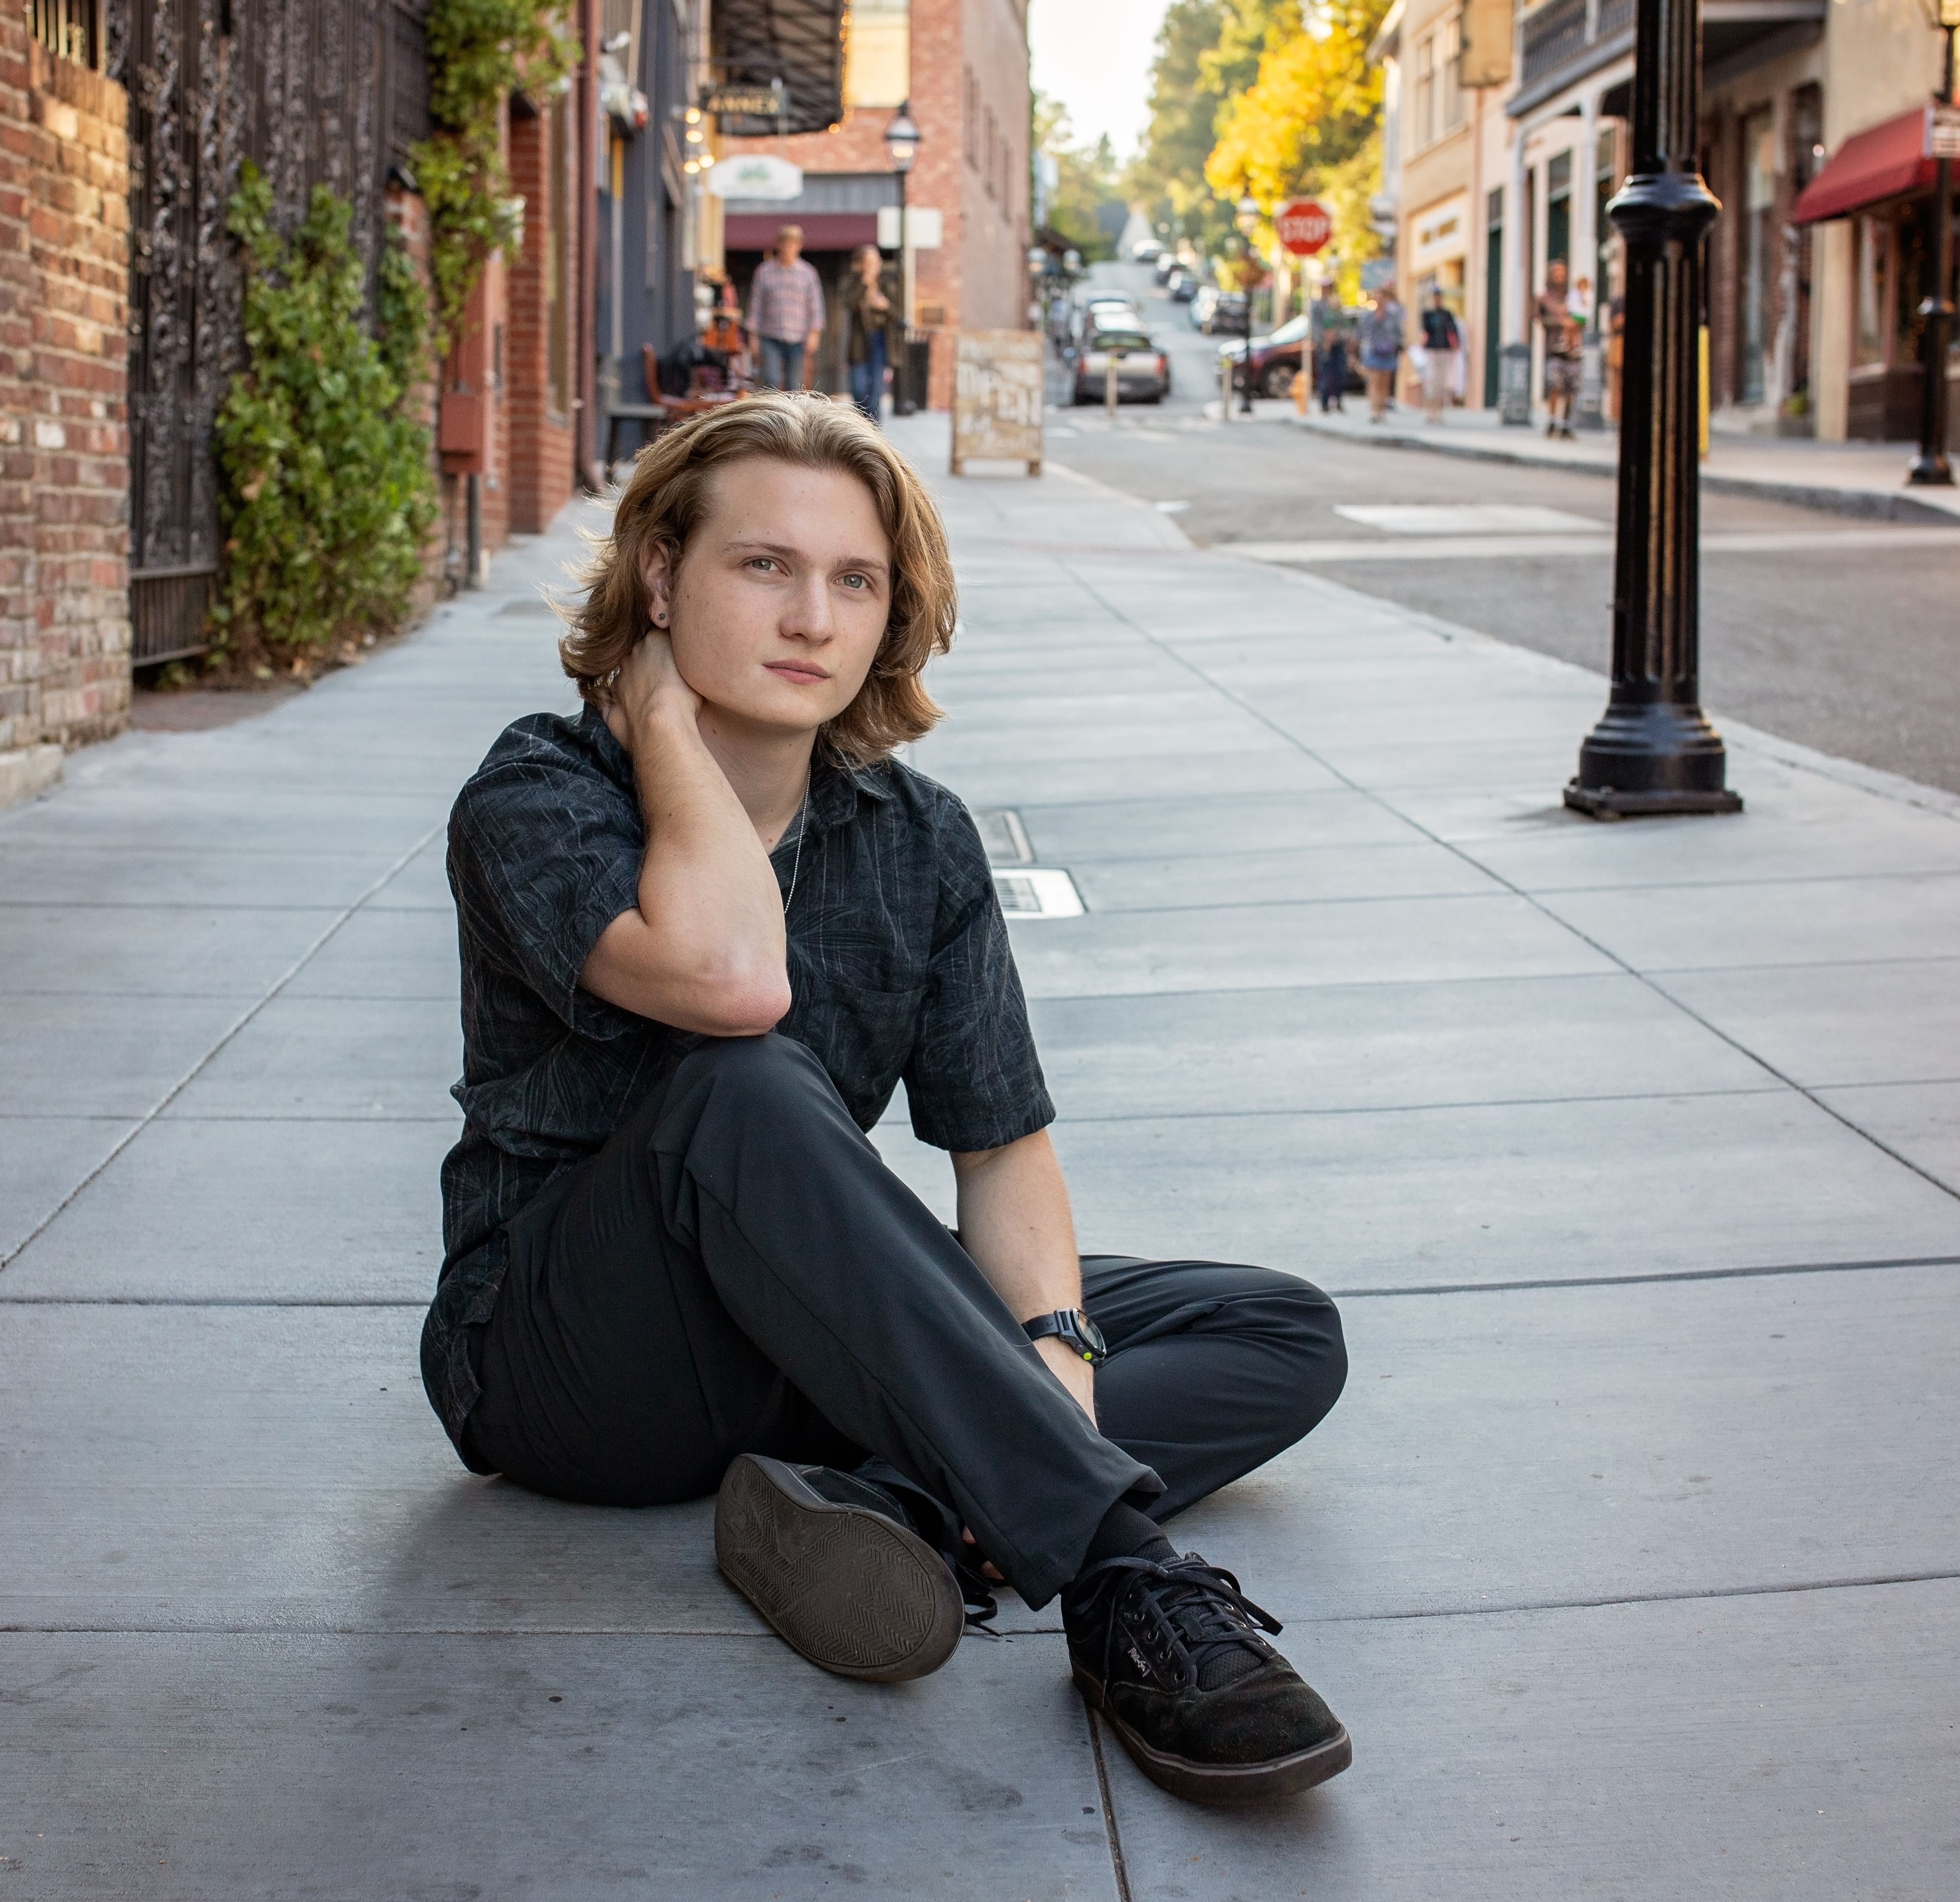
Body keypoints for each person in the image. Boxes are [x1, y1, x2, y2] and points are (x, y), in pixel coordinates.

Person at [429, 393, 1354, 1805]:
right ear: (662, 575)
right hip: (567, 1359)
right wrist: (667, 726)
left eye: (853, 580)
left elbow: (1001, 1144)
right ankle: (1117, 1576)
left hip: (779, 1333)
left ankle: (896, 1506)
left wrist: (1051, 1342)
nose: (812, 616)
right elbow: (733, 980)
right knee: (740, 1083)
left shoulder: (915, 836)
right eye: (762, 566)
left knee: (1271, 1326)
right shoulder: (537, 797)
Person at [745, 227, 826, 393]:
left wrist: (815, 333)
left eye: (793, 244)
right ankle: (769, 416)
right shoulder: (765, 271)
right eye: (786, 244)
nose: (789, 248)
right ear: (779, 245)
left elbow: (816, 306)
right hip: (770, 336)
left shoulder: (808, 273)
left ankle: (792, 417)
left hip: (797, 338)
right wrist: (752, 335)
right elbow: (756, 304)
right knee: (770, 380)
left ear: (799, 246)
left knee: (795, 384)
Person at [842, 245, 898, 423]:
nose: (874, 266)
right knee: (858, 388)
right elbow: (849, 304)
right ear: (861, 264)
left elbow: (898, 315)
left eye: (876, 261)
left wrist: (886, 307)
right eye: (869, 262)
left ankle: (873, 430)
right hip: (860, 342)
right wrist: (865, 283)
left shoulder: (887, 285)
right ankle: (862, 424)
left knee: (875, 391)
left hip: (881, 341)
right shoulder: (853, 283)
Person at [1536, 259, 1582, 439]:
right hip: (1554, 348)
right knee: (1555, 385)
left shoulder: (1574, 298)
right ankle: (1552, 421)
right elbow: (1540, 320)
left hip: (1572, 349)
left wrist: (1575, 322)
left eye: (1563, 273)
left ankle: (1566, 424)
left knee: (1571, 388)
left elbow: (1583, 319)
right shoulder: (1544, 299)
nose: (1560, 276)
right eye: (1556, 273)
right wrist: (1560, 323)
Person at [1357, 286, 1403, 424]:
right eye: (1377, 296)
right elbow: (1361, 332)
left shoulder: (1392, 316)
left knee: (1385, 382)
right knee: (1374, 381)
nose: (1380, 299)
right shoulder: (1369, 316)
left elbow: (1398, 333)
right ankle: (1374, 410)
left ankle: (1382, 410)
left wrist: (1398, 345)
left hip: (1388, 353)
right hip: (1373, 352)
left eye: (1382, 297)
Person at [1418, 288, 1463, 424]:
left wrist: (1455, 345)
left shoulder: (1446, 314)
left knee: (1441, 382)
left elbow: (1453, 330)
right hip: (1432, 351)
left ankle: (1438, 412)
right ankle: (1429, 411)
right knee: (1431, 381)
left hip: (1444, 350)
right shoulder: (1427, 314)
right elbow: (1425, 331)